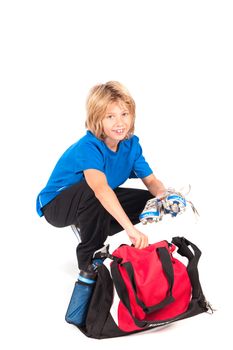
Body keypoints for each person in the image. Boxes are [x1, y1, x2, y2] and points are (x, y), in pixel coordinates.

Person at [36, 81, 167, 325]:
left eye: (124, 114)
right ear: (98, 119)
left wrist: (165, 196)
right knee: (97, 189)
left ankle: (92, 224)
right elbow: (100, 189)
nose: (120, 123)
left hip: (94, 199)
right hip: (57, 205)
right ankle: (89, 259)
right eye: (110, 116)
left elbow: (151, 181)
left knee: (149, 202)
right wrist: (130, 228)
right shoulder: (89, 146)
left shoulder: (131, 144)